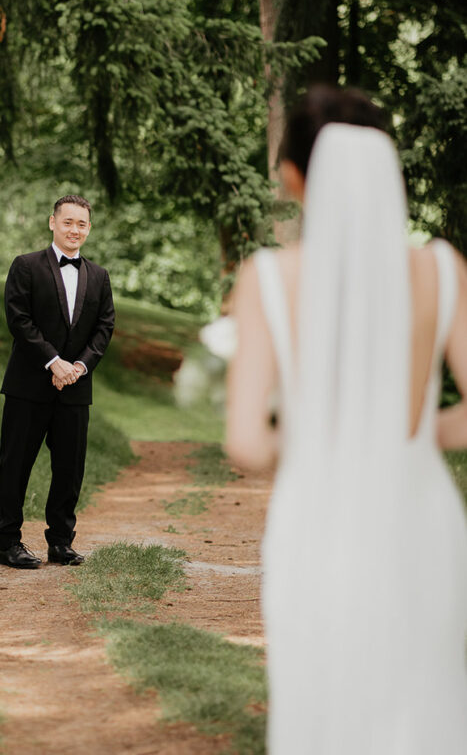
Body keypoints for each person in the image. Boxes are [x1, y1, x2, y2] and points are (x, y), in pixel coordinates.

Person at [226, 86, 467, 753]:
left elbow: (245, 443)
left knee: (322, 702)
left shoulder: (269, 278)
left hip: (318, 520)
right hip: (422, 518)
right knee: (423, 698)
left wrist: (313, 442)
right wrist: (415, 437)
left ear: (297, 177)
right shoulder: (442, 270)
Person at [0, 194, 115, 569]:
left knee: (69, 469)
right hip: (29, 386)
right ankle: (8, 543)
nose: (74, 229)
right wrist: (53, 362)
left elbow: (104, 327)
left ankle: (61, 542)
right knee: (16, 465)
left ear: (88, 229)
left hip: (76, 388)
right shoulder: (26, 266)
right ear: (52, 222)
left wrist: (79, 366)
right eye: (68, 222)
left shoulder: (99, 276)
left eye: (82, 224)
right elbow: (19, 319)